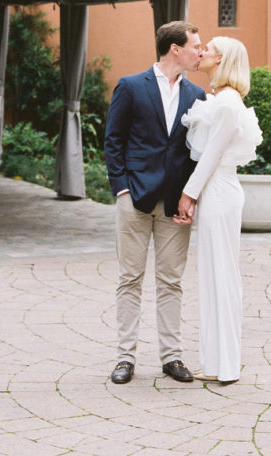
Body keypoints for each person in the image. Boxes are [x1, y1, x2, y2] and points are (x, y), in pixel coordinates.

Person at [103, 20, 205, 385]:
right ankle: (125, 359)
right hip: (135, 197)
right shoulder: (131, 87)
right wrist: (121, 189)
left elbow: (197, 152)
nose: (201, 52)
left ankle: (172, 357)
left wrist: (191, 196)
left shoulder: (197, 96)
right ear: (174, 48)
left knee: (171, 281)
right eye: (196, 45)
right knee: (129, 278)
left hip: (175, 204)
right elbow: (113, 140)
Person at [174, 36, 262, 385]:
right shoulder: (225, 99)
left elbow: (210, 155)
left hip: (219, 191)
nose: (202, 51)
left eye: (208, 48)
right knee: (213, 276)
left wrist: (188, 194)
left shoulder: (226, 103)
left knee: (221, 276)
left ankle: (225, 365)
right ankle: (215, 362)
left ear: (222, 59)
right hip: (217, 190)